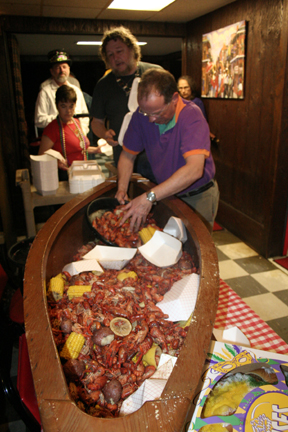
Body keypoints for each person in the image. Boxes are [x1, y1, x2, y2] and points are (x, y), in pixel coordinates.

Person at [115, 69, 219, 233]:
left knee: (196, 250)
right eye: (145, 112)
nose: (150, 119)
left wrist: (149, 197)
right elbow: (128, 155)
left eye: (157, 113)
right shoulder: (141, 115)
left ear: (175, 99)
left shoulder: (192, 116)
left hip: (197, 197)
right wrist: (122, 188)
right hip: (165, 193)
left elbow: (194, 169)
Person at [90, 26, 162, 180]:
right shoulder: (103, 85)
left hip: (158, 154)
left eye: (119, 51)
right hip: (124, 157)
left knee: (162, 200)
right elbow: (96, 122)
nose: (115, 57)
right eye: (110, 55)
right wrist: (104, 133)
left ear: (132, 50)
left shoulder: (156, 74)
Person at [38, 85, 99, 180]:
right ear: (57, 105)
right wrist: (57, 163)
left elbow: (79, 148)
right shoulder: (52, 128)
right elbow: (41, 156)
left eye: (71, 106)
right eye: (63, 106)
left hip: (82, 173)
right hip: (66, 177)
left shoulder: (76, 122)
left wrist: (96, 150)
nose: (68, 111)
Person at [35, 50, 89, 136]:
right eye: (58, 67)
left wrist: (82, 133)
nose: (61, 70)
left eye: (64, 67)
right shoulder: (45, 92)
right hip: (56, 138)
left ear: (69, 69)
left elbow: (84, 117)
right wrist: (61, 118)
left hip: (77, 137)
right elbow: (39, 120)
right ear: (52, 71)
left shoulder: (76, 90)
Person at [178, 75, 217, 142]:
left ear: (191, 87)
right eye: (180, 88)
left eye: (186, 87)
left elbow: (202, 121)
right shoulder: (177, 102)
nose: (183, 91)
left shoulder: (196, 102)